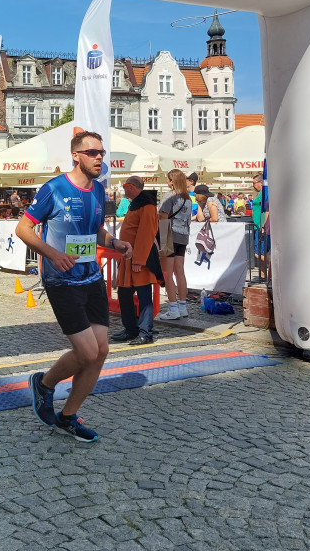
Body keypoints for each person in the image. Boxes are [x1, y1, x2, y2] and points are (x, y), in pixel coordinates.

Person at [18, 130, 133, 443]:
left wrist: (116, 241)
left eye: (102, 153)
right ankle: (43, 384)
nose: (99, 158)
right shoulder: (54, 189)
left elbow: (95, 232)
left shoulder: (98, 191)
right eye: (93, 152)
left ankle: (68, 417)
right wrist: (54, 254)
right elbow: (23, 229)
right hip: (61, 280)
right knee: (86, 351)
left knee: (101, 351)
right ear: (76, 156)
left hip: (92, 278)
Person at [111, 177, 163, 344]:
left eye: (125, 186)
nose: (124, 190)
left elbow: (146, 234)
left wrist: (139, 260)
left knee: (144, 295)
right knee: (124, 293)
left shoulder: (147, 205)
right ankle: (131, 329)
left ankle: (145, 333)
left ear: (132, 187)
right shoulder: (136, 203)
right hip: (129, 256)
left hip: (141, 258)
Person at [157, 169, 192, 322]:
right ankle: (183, 306)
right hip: (183, 235)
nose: (167, 182)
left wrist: (161, 240)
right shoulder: (188, 198)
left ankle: (172, 308)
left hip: (169, 234)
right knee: (180, 271)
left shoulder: (169, 195)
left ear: (172, 181)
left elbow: (163, 217)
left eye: (168, 179)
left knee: (168, 273)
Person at [251, 172, 269, 279]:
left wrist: (264, 226)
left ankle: (275, 264)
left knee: (260, 253)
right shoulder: (260, 193)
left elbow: (267, 210)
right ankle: (263, 274)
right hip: (257, 225)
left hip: (261, 226)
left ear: (260, 182)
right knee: (258, 252)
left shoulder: (265, 193)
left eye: (254, 183)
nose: (253, 185)